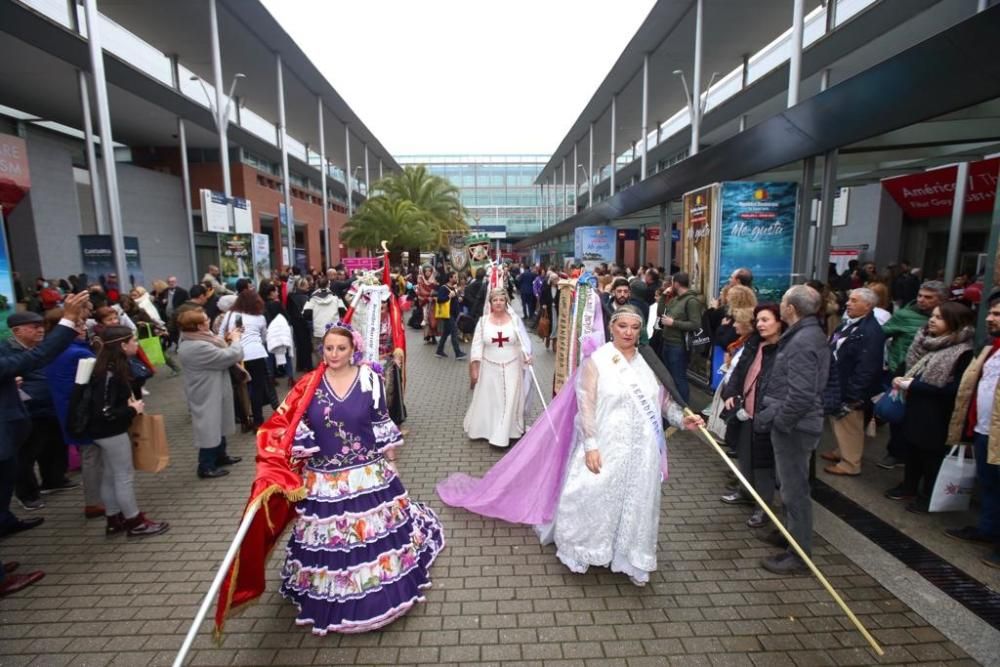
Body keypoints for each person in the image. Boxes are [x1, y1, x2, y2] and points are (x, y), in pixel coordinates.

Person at [265, 323, 445, 633]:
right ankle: (333, 597)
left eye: (341, 348)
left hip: (367, 475)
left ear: (353, 350)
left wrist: (392, 462)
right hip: (325, 481)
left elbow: (380, 422)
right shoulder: (308, 384)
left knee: (373, 536)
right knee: (331, 543)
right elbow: (292, 425)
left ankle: (378, 595)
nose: (333, 354)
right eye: (328, 348)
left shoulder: (369, 379)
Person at [538, 305, 702, 585]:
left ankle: (631, 557)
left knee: (638, 502)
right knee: (593, 493)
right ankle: (585, 549)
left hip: (642, 449)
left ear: (641, 331)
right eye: (622, 326)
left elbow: (663, 404)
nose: (628, 332)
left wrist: (681, 419)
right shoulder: (598, 361)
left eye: (634, 328)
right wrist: (590, 444)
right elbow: (586, 404)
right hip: (606, 442)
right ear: (611, 327)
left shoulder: (650, 363)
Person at [751, 285, 829, 575]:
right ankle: (787, 533)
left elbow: (801, 394)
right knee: (788, 486)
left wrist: (781, 421)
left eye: (783, 302)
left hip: (796, 427)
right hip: (793, 423)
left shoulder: (802, 341)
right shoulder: (804, 334)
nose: (780, 305)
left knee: (794, 490)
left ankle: (799, 554)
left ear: (791, 309)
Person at [884, 303, 975, 512]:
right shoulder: (932, 343)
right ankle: (909, 486)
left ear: (955, 323)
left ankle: (929, 495)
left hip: (937, 413)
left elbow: (956, 389)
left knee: (930, 456)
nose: (932, 320)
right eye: (932, 316)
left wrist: (915, 385)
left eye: (939, 318)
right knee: (913, 450)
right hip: (917, 408)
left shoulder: (963, 352)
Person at [84, 326, 169, 538]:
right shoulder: (110, 372)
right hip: (110, 431)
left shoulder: (106, 367)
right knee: (123, 476)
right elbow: (105, 410)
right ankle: (134, 521)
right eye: (133, 341)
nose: (137, 344)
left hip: (101, 431)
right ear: (122, 345)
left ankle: (114, 519)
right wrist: (132, 409)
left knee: (111, 474)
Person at [944, 290, 1000, 569]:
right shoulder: (992, 347)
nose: (989, 318)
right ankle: (987, 529)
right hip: (984, 430)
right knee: (989, 484)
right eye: (990, 312)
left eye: (997, 314)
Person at [1, 312, 77, 512]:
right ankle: (27, 494)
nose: (39, 330)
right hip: (28, 410)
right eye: (33, 327)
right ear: (16, 331)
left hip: (52, 405)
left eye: (41, 325)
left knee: (54, 445)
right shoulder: (7, 351)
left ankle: (53, 479)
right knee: (26, 455)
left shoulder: (41, 348)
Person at [720, 304, 785, 528]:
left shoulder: (784, 350)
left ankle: (763, 508)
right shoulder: (754, 344)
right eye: (758, 320)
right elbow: (738, 372)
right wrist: (731, 392)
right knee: (745, 457)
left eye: (766, 320)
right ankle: (745, 492)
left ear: (780, 322)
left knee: (763, 465)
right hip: (745, 412)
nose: (760, 324)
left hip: (766, 417)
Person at [878, 280, 949, 469]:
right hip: (902, 370)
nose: (922, 300)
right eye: (920, 296)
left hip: (932, 376)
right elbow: (882, 334)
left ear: (941, 300)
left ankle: (913, 459)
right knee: (896, 413)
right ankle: (895, 452)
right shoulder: (903, 315)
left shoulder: (951, 318)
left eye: (928, 297)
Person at [43, 310, 103, 519]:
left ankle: (95, 500)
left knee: (89, 453)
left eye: (83, 323)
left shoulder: (52, 351)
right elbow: (99, 381)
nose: (84, 328)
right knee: (92, 455)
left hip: (67, 411)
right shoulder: (78, 353)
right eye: (78, 324)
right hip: (84, 413)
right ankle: (95, 502)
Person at [820, 287, 885, 476]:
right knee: (839, 423)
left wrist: (853, 394)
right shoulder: (851, 324)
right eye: (849, 299)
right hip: (838, 383)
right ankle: (842, 451)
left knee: (850, 425)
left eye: (854, 301)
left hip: (850, 389)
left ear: (868, 305)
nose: (848, 303)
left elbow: (867, 367)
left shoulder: (870, 332)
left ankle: (850, 463)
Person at [177, 310, 245, 479]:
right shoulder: (196, 346)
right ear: (199, 325)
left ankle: (220, 456)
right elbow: (230, 356)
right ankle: (205, 465)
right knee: (209, 426)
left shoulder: (197, 338)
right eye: (206, 319)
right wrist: (236, 342)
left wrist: (229, 339)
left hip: (213, 387)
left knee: (218, 422)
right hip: (206, 391)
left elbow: (219, 347)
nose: (209, 320)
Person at [464, 289, 532, 447]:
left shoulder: (515, 321)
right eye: (495, 300)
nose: (499, 303)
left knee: (509, 399)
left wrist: (527, 355)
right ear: (491, 303)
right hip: (489, 367)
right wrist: (475, 366)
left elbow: (522, 342)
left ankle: (505, 434)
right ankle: (489, 429)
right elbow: (476, 346)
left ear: (506, 302)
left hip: (512, 365)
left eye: (502, 300)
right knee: (494, 400)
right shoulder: (483, 321)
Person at [218, 291, 274, 427]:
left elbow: (220, 334)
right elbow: (265, 337)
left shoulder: (229, 315)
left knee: (240, 388)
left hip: (236, 354)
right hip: (257, 354)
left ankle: (244, 419)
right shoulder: (260, 317)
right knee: (257, 388)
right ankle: (258, 420)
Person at [652, 272, 704, 404]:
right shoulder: (676, 299)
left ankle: (683, 408)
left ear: (676, 284)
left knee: (679, 377)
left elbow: (696, 324)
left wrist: (674, 323)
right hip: (667, 342)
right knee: (668, 376)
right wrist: (664, 296)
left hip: (679, 345)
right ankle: (670, 404)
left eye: (672, 283)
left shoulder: (691, 301)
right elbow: (661, 313)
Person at [302, 278, 344, 362]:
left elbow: (305, 314)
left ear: (317, 285)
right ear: (328, 285)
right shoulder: (335, 297)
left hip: (319, 331)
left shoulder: (312, 298)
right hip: (333, 329)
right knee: (334, 352)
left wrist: (316, 316)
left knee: (320, 355)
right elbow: (343, 311)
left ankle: (322, 372)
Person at [435, 272, 466, 360]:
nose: (457, 279)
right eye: (455, 277)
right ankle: (458, 353)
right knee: (454, 332)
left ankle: (439, 351)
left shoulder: (454, 288)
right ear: (450, 278)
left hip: (453, 314)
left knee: (445, 333)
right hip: (447, 314)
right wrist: (449, 296)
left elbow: (454, 300)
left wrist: (458, 298)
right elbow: (440, 300)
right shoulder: (443, 288)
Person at [286, 278, 314, 373]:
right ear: (301, 286)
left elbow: (288, 310)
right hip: (304, 322)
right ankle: (308, 366)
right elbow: (308, 312)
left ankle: (300, 365)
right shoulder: (305, 297)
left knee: (299, 345)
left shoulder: (291, 296)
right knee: (306, 345)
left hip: (295, 323)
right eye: (306, 284)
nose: (308, 286)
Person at [417, 266, 438, 345]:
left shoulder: (434, 281)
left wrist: (433, 296)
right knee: (427, 320)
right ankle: (430, 336)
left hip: (433, 303)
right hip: (426, 303)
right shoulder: (421, 281)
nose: (428, 273)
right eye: (426, 271)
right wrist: (428, 296)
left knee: (433, 320)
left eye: (429, 271)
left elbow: (437, 291)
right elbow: (420, 292)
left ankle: (432, 336)